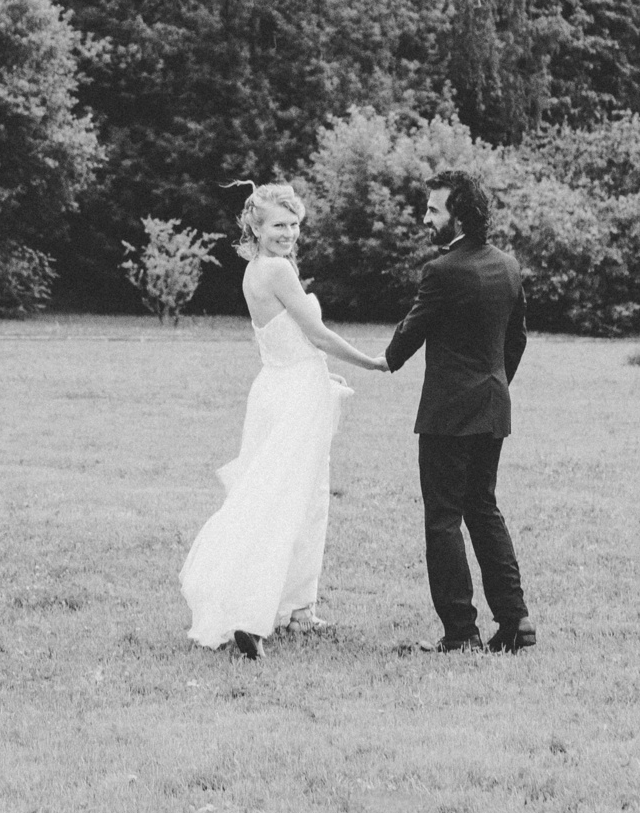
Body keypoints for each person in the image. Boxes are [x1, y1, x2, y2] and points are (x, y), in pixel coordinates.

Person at [181, 180, 389, 658]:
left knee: (301, 496)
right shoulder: (275, 269)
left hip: (278, 388)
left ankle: (299, 608)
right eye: (279, 225)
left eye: (294, 225)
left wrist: (323, 375)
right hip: (293, 395)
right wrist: (371, 362)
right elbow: (315, 334)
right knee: (285, 501)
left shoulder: (257, 268)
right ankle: (250, 614)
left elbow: (286, 338)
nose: (289, 233)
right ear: (255, 225)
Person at [383, 169, 534, 654]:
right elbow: (517, 340)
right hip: (491, 409)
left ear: (459, 216)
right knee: (484, 510)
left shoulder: (441, 272)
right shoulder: (508, 266)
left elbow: (409, 334)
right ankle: (516, 622)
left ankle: (461, 631)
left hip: (448, 415)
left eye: (433, 209)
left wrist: (385, 359)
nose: (425, 217)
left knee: (443, 517)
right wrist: (493, 386)